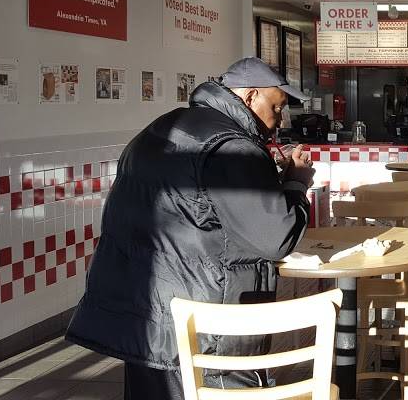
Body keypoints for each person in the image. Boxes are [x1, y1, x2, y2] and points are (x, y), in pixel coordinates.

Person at [66, 57, 314, 399]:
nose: (279, 120)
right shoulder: (232, 148)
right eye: (277, 107)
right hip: (205, 324)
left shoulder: (162, 127)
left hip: (144, 315)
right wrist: (296, 183)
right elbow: (276, 237)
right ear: (250, 96)